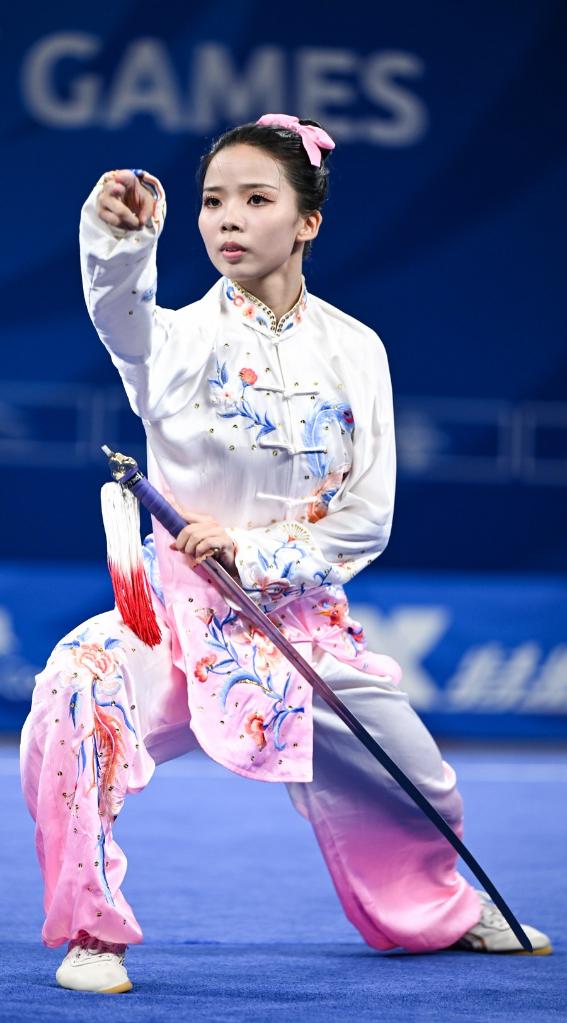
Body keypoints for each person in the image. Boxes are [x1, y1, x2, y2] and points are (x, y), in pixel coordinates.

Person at [20, 114, 551, 994]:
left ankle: (441, 912)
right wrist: (119, 234)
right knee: (74, 689)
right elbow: (117, 308)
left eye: (255, 199)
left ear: (306, 221)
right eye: (211, 201)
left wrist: (255, 550)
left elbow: (366, 518)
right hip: (175, 624)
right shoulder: (173, 344)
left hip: (299, 627)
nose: (227, 217)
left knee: (424, 782)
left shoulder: (356, 349)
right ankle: (91, 932)